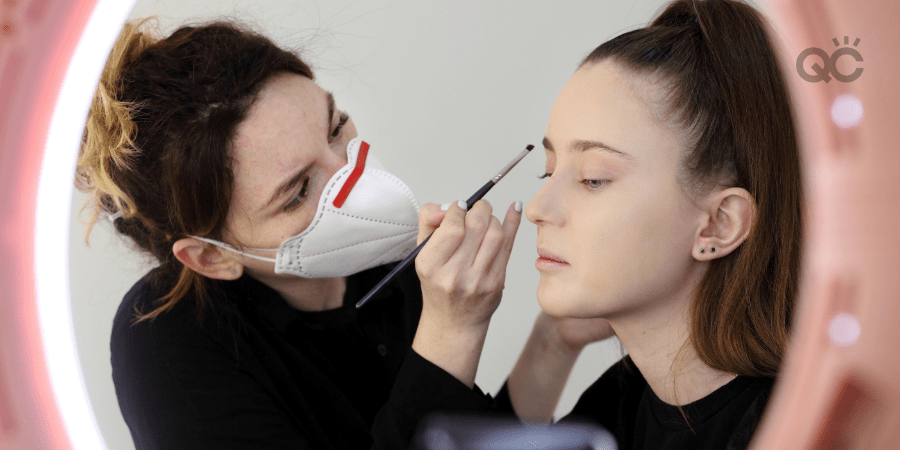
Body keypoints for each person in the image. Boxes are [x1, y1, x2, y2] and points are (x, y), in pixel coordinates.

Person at [75, 17, 523, 449]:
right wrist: (451, 334)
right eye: (299, 191)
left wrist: (555, 341)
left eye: (335, 127)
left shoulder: (388, 264)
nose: (352, 178)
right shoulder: (163, 344)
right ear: (213, 257)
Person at [459, 0, 801, 449]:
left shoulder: (800, 427)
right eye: (548, 171)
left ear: (719, 224)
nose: (541, 207)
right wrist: (515, 335)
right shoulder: (623, 402)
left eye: (593, 178)